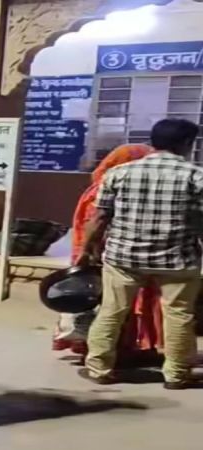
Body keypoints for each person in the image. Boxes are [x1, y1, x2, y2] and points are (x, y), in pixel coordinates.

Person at [79, 118, 203, 390]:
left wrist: (86, 251)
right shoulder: (196, 176)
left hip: (123, 258)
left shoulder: (119, 173)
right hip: (177, 261)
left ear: (153, 141)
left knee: (112, 312)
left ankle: (99, 368)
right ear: (187, 144)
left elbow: (99, 218)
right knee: (179, 315)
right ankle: (176, 375)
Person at [54, 144, 162, 361]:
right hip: (107, 256)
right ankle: (107, 354)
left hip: (106, 255)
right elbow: (95, 223)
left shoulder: (100, 187)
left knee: (109, 306)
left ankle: (109, 352)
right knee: (111, 307)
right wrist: (90, 252)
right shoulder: (105, 190)